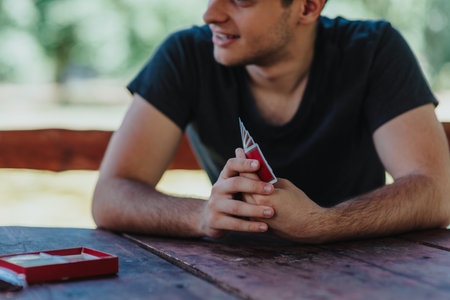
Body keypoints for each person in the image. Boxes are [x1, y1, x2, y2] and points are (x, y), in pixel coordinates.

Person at [92, 0, 450, 243]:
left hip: (364, 273)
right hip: (228, 272)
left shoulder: (374, 50)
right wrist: (200, 216)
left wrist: (322, 224)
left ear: (307, 6)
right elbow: (110, 195)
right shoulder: (185, 54)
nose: (210, 14)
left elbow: (436, 191)